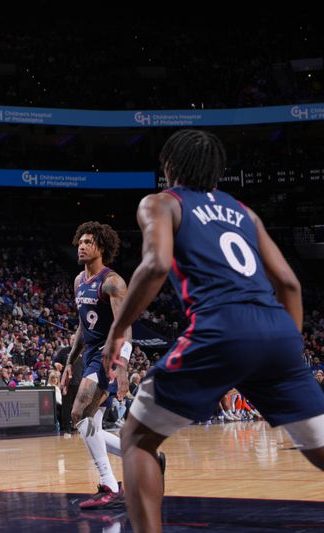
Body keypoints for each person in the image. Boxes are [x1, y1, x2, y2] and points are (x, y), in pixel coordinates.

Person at [102, 129, 324, 533]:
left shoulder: (162, 203)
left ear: (169, 167)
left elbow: (155, 265)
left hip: (222, 326)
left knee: (136, 438)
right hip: (276, 328)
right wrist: (285, 347)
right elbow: (289, 283)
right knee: (320, 447)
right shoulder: (244, 211)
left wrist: (120, 328)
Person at [60, 221, 141, 510]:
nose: (81, 246)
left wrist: (122, 365)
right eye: (80, 241)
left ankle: (108, 484)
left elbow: (124, 325)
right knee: (88, 423)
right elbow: (83, 326)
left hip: (109, 353)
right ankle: (144, 456)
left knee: (79, 412)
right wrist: (69, 362)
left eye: (88, 242)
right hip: (90, 353)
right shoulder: (79, 281)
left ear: (101, 248)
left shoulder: (113, 282)